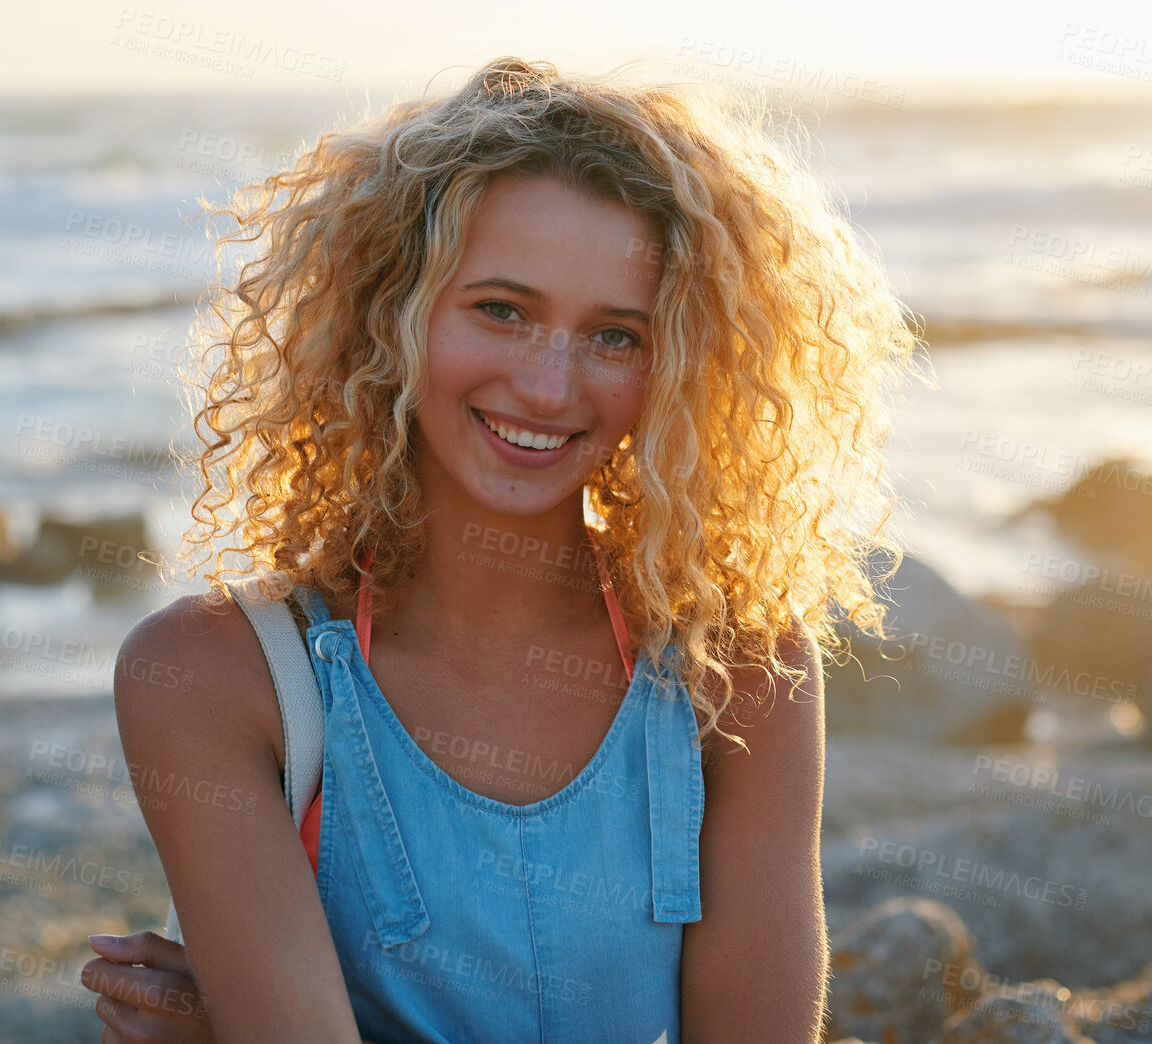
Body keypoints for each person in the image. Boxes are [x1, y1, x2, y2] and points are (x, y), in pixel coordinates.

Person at [83, 54, 925, 1043]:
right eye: (501, 311)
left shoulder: (738, 672)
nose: (548, 384)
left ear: (682, 368)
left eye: (617, 335)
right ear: (387, 316)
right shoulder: (214, 678)